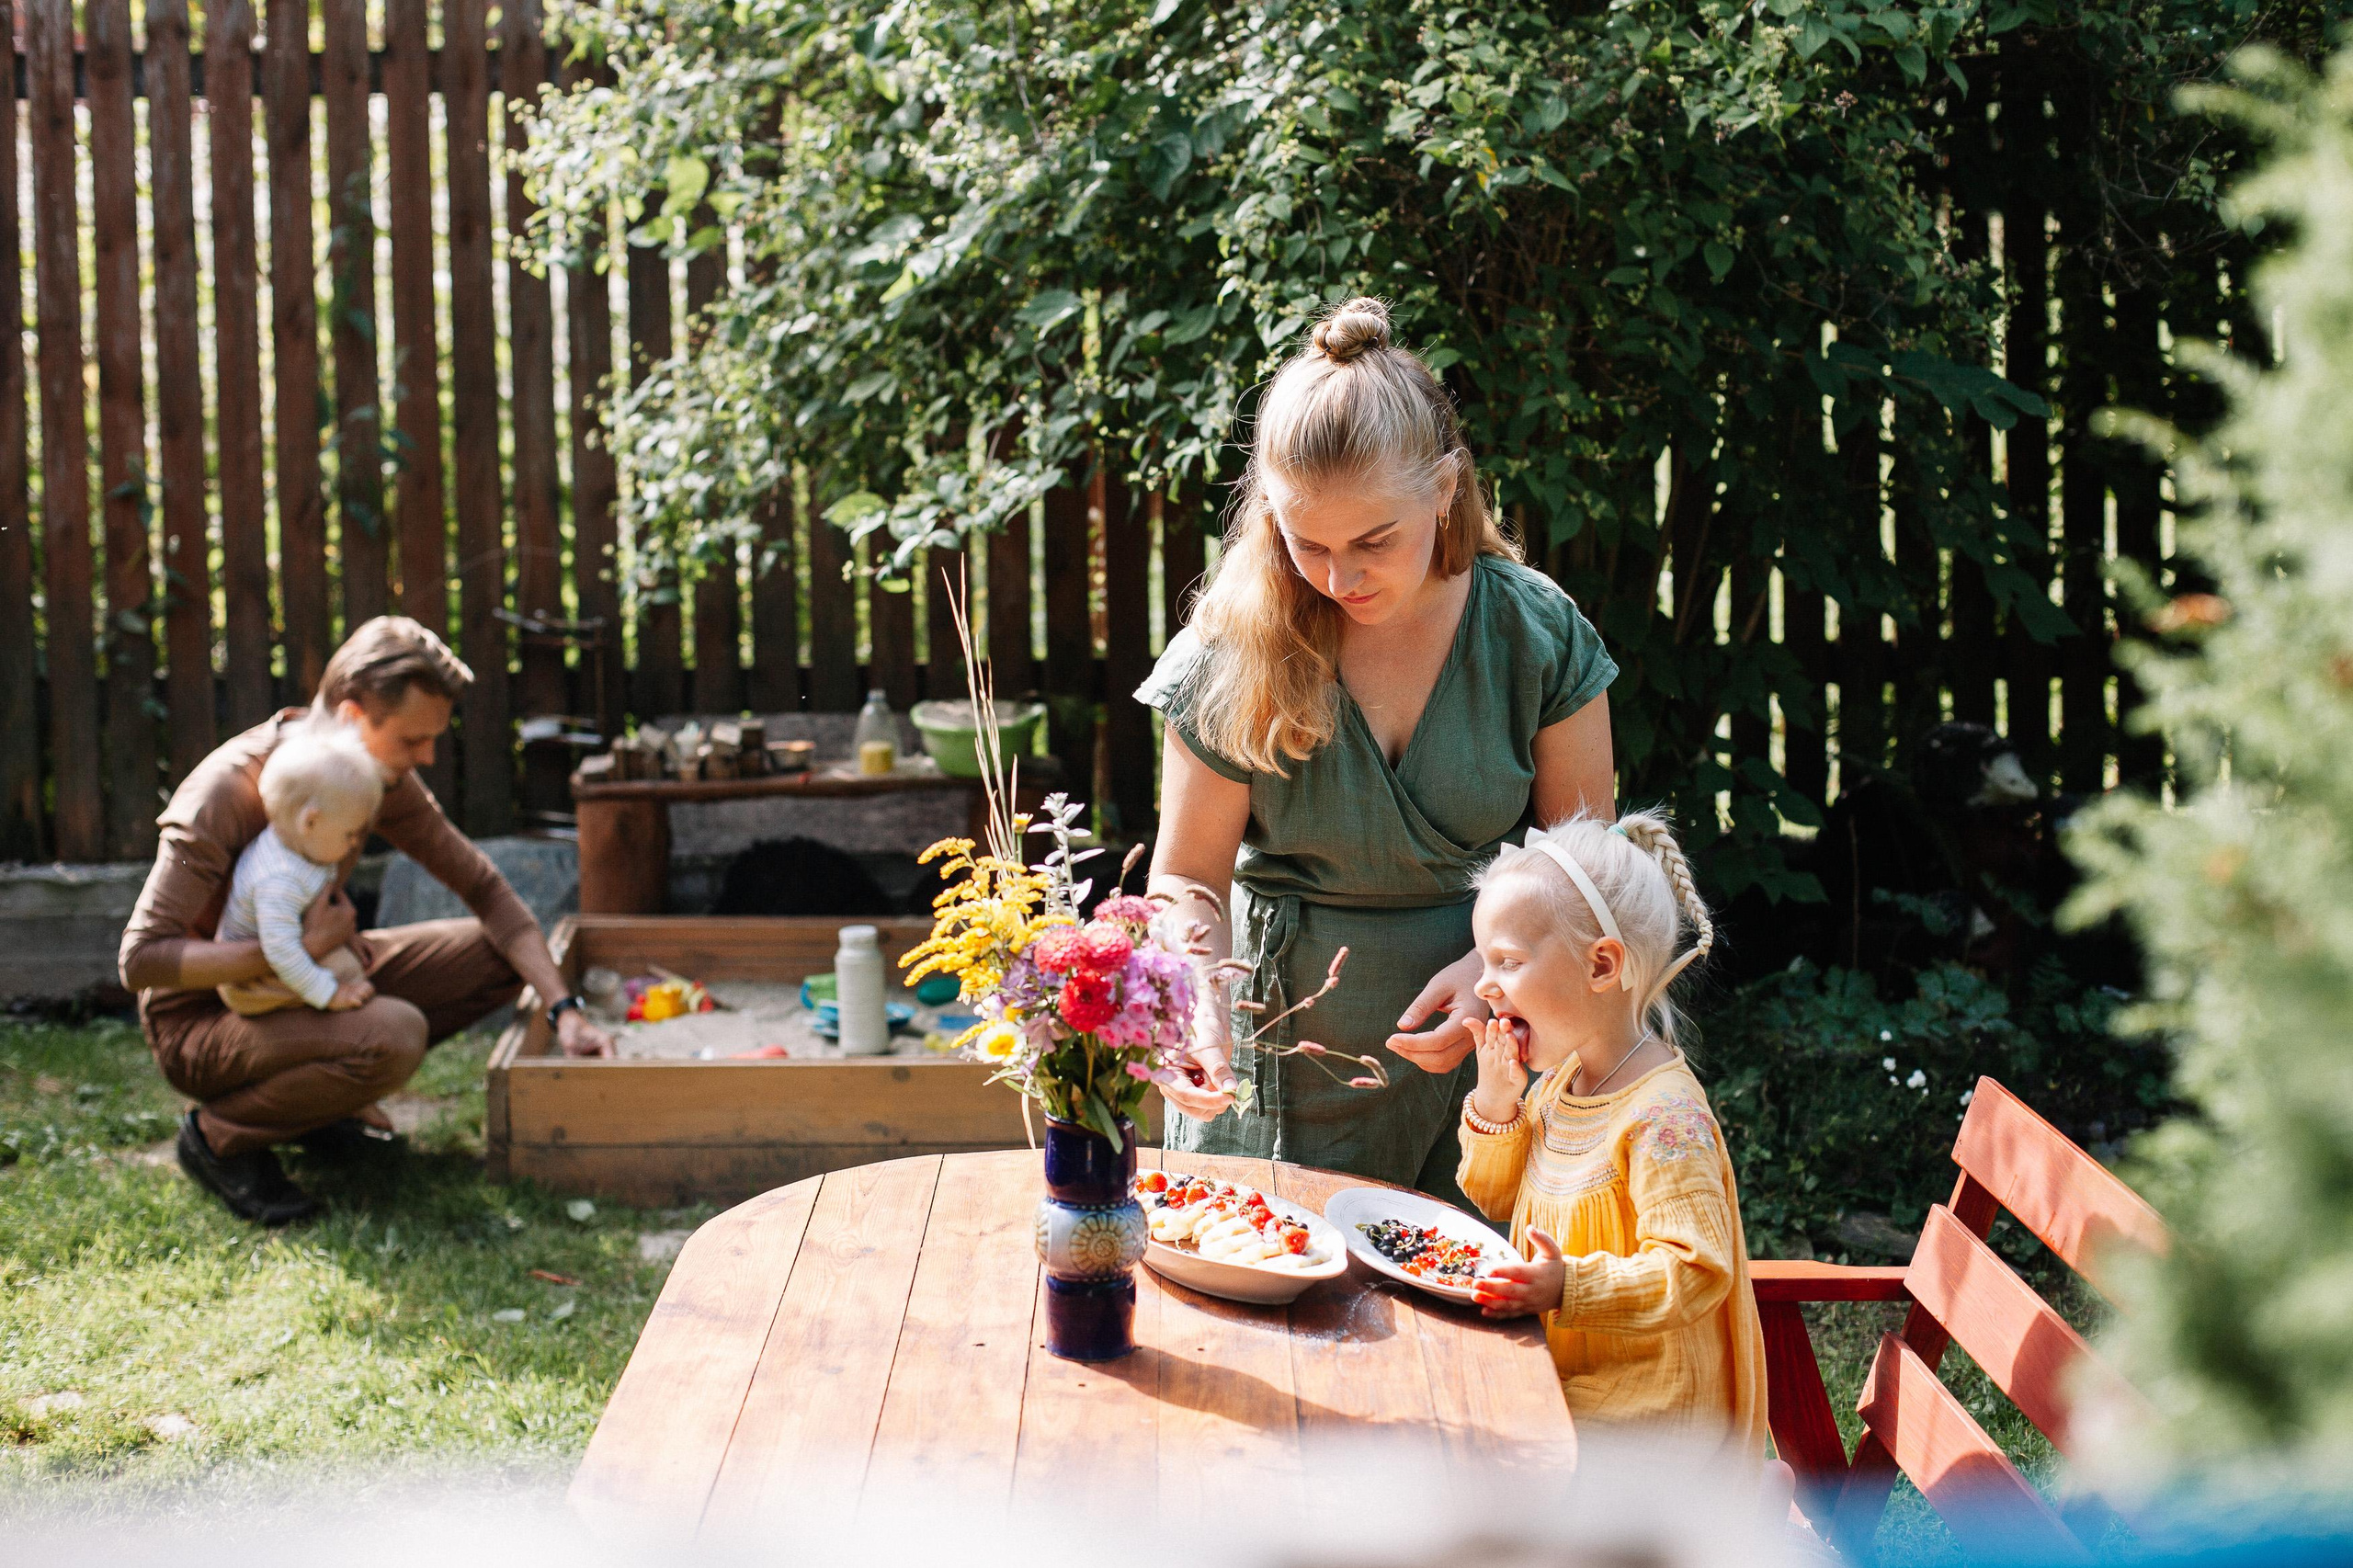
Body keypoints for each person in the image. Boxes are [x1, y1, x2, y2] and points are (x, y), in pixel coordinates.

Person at [1139, 295, 1616, 1196]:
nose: (1339, 577)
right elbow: (1188, 877)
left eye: (1373, 540)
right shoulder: (1234, 643)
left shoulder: (1535, 634)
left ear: (1445, 489)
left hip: (1494, 1060)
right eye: (1306, 542)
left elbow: (1588, 866)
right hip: (1278, 1062)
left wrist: (1493, 971)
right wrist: (1189, 996)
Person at [119, 616, 615, 1227]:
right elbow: (141, 962)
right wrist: (293, 950)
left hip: (315, 971)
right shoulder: (225, 792)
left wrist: (564, 1010)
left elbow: (486, 890)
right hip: (205, 1018)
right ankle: (218, 1137)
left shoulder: (377, 777)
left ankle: (320, 1107)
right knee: (394, 1034)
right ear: (354, 717)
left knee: (498, 955)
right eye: (412, 740)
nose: (426, 757)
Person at [1456, 811, 1765, 1453]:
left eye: (1507, 961)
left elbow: (1696, 1270)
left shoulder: (1664, 1118)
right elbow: (1496, 1198)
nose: (1483, 984)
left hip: (1646, 1417)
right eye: (1484, 961)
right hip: (1563, 1376)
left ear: (1601, 966)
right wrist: (1498, 1106)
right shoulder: (1563, 1082)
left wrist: (1567, 1285)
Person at [213, 719, 381, 1017]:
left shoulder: (305, 848)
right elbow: (282, 953)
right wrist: (330, 994)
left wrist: (345, 936)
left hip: (292, 950)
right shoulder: (279, 880)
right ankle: (324, 1018)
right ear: (310, 822)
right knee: (349, 973)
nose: (355, 842)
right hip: (249, 983)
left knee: (351, 966)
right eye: (349, 833)